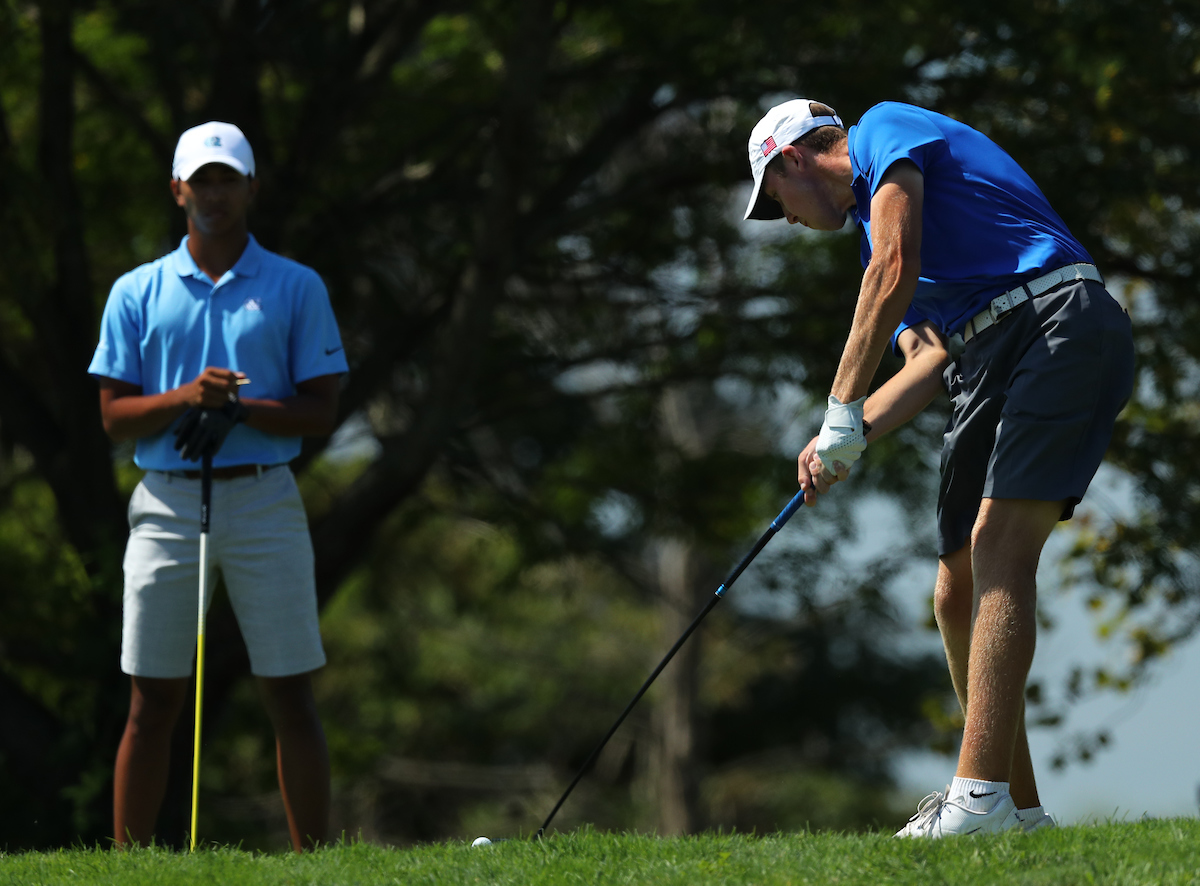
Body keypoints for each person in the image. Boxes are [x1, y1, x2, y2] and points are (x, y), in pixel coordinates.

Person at [742, 99, 1134, 837]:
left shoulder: (883, 129)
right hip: (980, 360)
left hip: (1056, 319)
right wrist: (844, 436)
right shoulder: (871, 238)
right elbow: (925, 362)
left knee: (999, 547)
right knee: (956, 589)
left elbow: (895, 267)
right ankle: (1019, 814)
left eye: (776, 199)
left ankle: (976, 798)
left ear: (794, 158)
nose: (785, 219)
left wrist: (839, 405)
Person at [88, 121, 349, 851]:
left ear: (250, 188)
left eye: (227, 179)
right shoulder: (136, 291)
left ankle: (314, 864)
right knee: (152, 698)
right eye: (200, 180)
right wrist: (188, 398)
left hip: (265, 496)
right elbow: (113, 417)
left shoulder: (296, 286)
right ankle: (131, 867)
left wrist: (240, 409)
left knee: (289, 689)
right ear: (178, 190)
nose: (214, 194)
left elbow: (321, 410)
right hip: (167, 503)